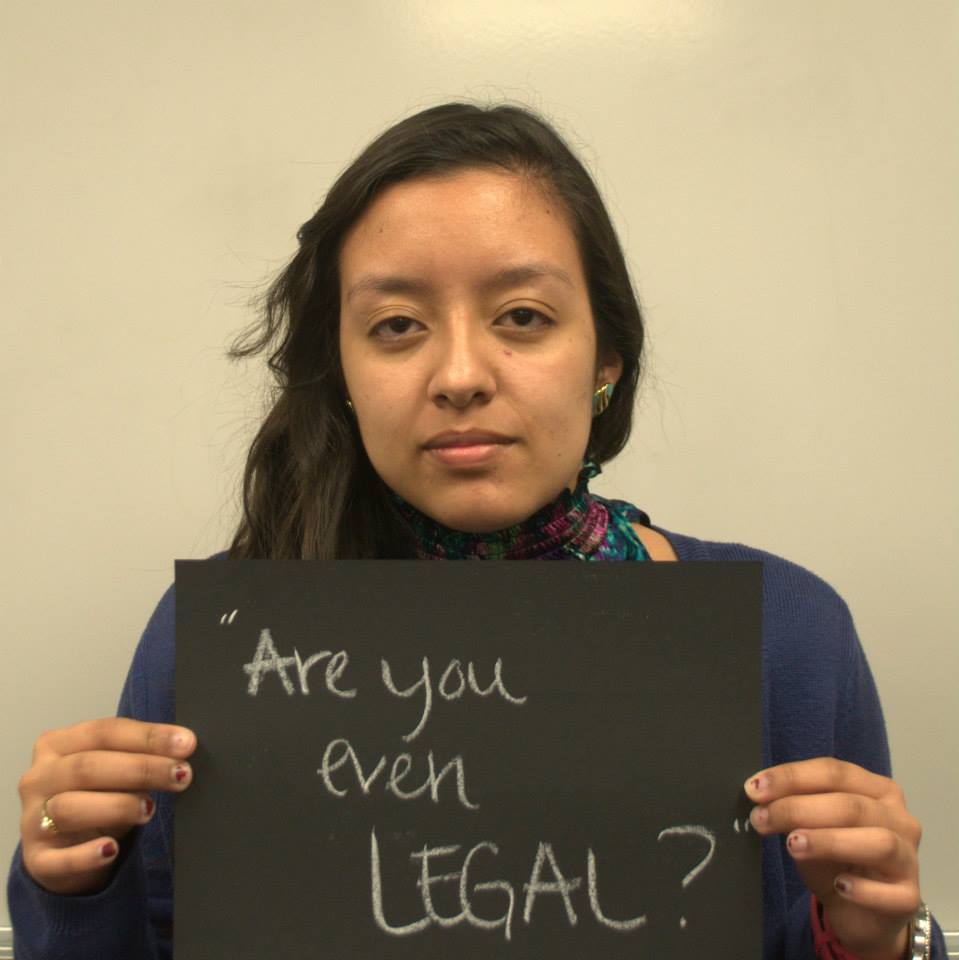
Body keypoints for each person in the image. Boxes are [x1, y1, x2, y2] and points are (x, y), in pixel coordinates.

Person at [7, 101, 945, 960]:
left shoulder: (788, 638)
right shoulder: (213, 643)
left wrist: (871, 941)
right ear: (340, 371)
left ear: (606, 360)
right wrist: (74, 882)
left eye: (522, 316)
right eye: (396, 326)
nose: (460, 374)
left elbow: (830, 925)